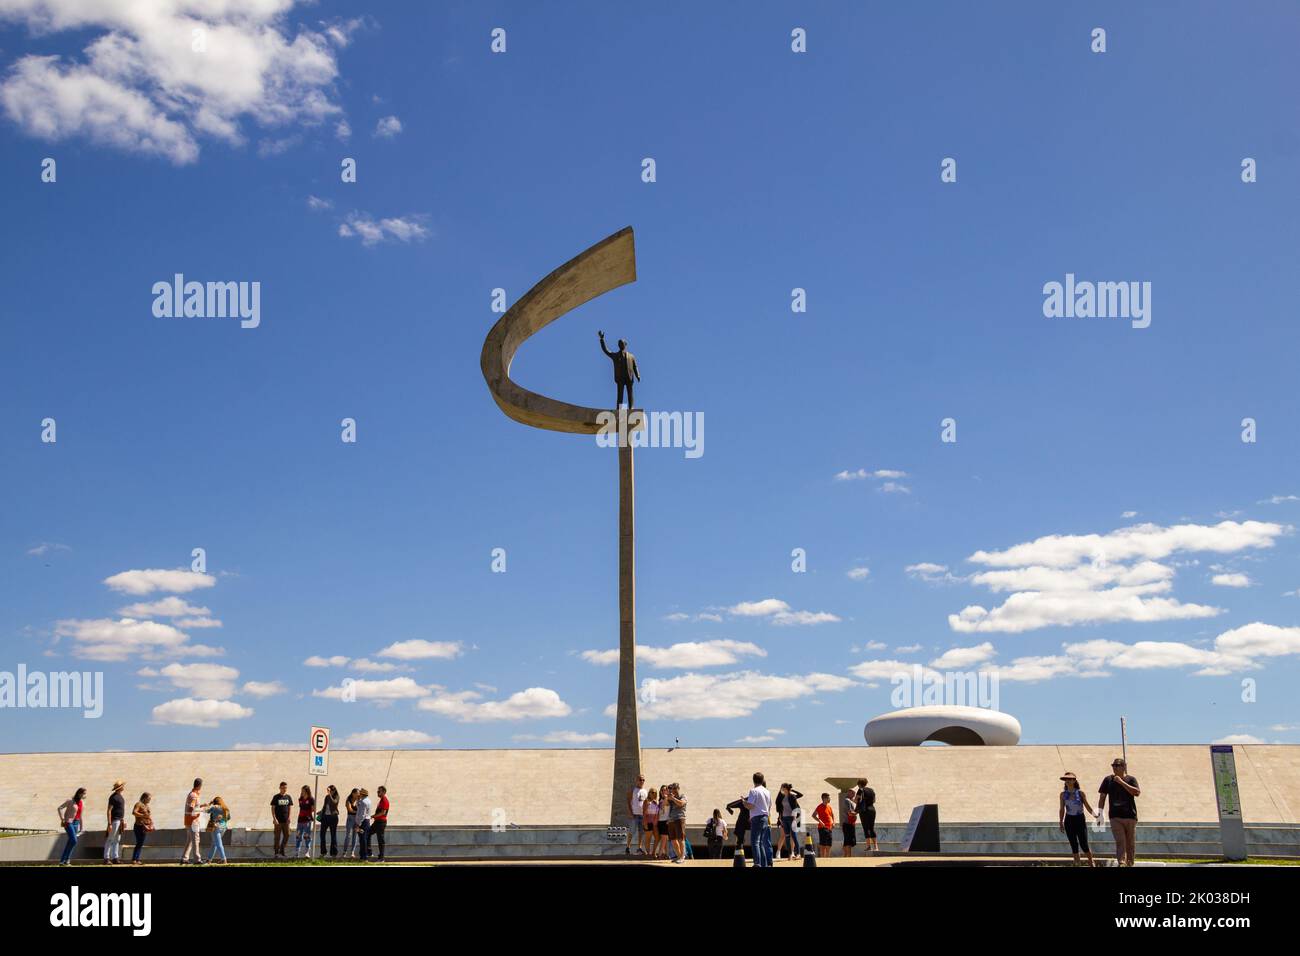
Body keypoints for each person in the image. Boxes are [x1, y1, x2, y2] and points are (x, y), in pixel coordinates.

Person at [1098, 757, 1141, 867]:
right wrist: (1100, 814)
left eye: (1118, 765)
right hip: (1115, 816)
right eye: (1113, 765)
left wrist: (1121, 782)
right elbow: (1102, 797)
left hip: (1130, 816)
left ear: (1124, 767)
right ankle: (1121, 862)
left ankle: (1130, 863)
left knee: (1130, 842)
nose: (1115, 768)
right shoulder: (1108, 780)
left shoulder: (1131, 779)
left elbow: (1137, 793)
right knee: (1120, 840)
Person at [1058, 772, 1096, 867]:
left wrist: (1095, 815)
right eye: (1066, 779)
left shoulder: (1080, 793)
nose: (1068, 781)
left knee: (1083, 843)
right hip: (1069, 820)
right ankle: (1077, 862)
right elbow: (1062, 808)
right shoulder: (1063, 794)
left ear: (1074, 780)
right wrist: (1061, 821)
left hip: (1079, 819)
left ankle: (1091, 862)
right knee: (1073, 843)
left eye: (1070, 779)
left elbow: (1087, 806)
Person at [598, 330, 641, 409]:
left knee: (630, 393)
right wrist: (602, 339)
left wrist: (637, 374)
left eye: (621, 343)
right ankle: (620, 409)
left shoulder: (631, 356)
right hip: (620, 377)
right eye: (619, 344)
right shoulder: (615, 355)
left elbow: (635, 366)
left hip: (629, 377)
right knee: (620, 394)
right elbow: (606, 351)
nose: (620, 345)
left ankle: (631, 407)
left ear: (625, 345)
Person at [744, 772, 773, 868]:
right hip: (765, 817)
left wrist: (744, 803)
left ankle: (757, 863)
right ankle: (764, 864)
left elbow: (751, 805)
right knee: (761, 843)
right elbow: (769, 806)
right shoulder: (767, 791)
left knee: (755, 842)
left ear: (753, 780)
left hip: (757, 817)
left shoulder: (753, 791)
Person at [775, 783, 804, 862]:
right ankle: (790, 854)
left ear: (786, 788)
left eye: (783, 788)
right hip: (784, 818)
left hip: (792, 818)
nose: (781, 789)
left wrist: (794, 820)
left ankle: (798, 854)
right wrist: (780, 817)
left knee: (794, 836)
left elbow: (794, 808)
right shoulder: (782, 797)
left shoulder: (792, 797)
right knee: (787, 836)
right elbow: (781, 808)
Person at [56, 787, 86, 866]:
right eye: (83, 793)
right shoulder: (70, 801)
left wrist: (81, 828)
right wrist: (62, 819)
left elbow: (80, 816)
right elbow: (59, 808)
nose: (84, 795)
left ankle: (64, 861)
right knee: (74, 840)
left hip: (76, 823)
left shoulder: (81, 803)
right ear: (79, 793)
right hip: (68, 822)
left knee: (71, 842)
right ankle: (64, 860)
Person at [182, 778, 207, 865]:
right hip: (193, 821)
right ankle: (197, 859)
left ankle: (184, 858)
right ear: (199, 786)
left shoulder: (192, 794)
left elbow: (192, 806)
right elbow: (191, 808)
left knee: (190, 840)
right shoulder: (194, 795)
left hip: (189, 820)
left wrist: (202, 805)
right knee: (196, 840)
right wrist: (201, 809)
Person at [104, 780, 126, 864]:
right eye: (122, 786)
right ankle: (106, 858)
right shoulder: (113, 797)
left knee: (117, 839)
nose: (123, 787)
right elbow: (109, 810)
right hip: (114, 820)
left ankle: (115, 857)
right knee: (110, 839)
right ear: (120, 788)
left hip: (119, 820)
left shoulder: (119, 796)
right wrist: (109, 823)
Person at [269, 782, 293, 858]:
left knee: (287, 834)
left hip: (286, 821)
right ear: (280, 788)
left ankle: (282, 850)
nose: (284, 789)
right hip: (278, 821)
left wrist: (289, 817)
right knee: (277, 837)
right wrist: (274, 818)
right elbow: (273, 808)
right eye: (283, 788)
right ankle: (276, 852)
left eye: (285, 788)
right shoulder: (276, 797)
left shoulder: (288, 797)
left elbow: (289, 807)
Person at [665, 783, 688, 863]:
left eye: (675, 788)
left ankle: (682, 856)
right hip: (671, 820)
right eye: (672, 788)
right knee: (673, 840)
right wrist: (667, 797)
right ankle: (678, 856)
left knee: (680, 838)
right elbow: (665, 805)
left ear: (678, 788)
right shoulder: (671, 797)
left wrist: (673, 798)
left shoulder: (682, 796)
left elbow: (681, 803)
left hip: (679, 819)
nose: (673, 790)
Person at [626, 774, 648, 855]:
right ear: (636, 780)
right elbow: (628, 802)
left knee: (641, 832)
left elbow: (646, 803)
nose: (641, 781)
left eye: (643, 780)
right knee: (631, 831)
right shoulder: (633, 790)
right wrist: (630, 812)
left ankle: (639, 848)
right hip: (634, 815)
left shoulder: (645, 791)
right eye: (640, 779)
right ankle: (628, 847)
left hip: (642, 815)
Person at [856, 778, 878, 853]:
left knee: (866, 828)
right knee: (871, 827)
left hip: (864, 811)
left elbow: (857, 800)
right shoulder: (871, 790)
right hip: (872, 809)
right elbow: (874, 800)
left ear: (859, 784)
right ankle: (876, 846)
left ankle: (869, 846)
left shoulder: (860, 790)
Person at [725, 793, 751, 858]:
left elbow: (730, 805)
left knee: (739, 840)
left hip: (742, 823)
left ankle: (738, 855)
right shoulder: (756, 801)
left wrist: (729, 808)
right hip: (750, 822)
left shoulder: (745, 801)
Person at [207, 796, 231, 863]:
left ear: (215, 802)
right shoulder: (226, 808)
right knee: (214, 843)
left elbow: (206, 810)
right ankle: (209, 859)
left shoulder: (214, 808)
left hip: (216, 827)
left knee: (218, 844)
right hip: (223, 828)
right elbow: (228, 818)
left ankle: (223, 859)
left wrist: (210, 804)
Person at [131, 792, 153, 864]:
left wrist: (151, 822)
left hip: (145, 826)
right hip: (138, 826)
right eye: (149, 798)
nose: (149, 800)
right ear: (145, 798)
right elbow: (134, 812)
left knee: (141, 843)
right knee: (139, 842)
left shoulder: (147, 806)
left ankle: (137, 859)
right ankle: (134, 859)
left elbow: (148, 816)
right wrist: (143, 815)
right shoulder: (138, 804)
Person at [294, 785, 315, 858]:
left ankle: (307, 852)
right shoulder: (300, 799)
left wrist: (309, 810)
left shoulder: (311, 799)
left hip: (307, 820)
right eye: (301, 791)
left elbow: (313, 809)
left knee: (307, 836)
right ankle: (297, 852)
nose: (302, 792)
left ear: (307, 791)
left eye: (303, 791)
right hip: (300, 820)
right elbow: (301, 807)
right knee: (298, 836)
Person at [812, 793, 834, 858]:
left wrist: (833, 822)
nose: (829, 799)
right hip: (822, 828)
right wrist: (820, 821)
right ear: (824, 798)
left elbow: (832, 815)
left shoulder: (829, 807)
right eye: (828, 798)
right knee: (823, 844)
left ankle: (827, 858)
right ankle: (822, 859)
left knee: (829, 844)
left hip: (829, 827)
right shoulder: (819, 806)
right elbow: (813, 815)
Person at [320, 785, 340, 858]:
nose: (328, 792)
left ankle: (333, 853)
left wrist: (329, 795)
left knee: (333, 835)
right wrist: (321, 811)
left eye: (330, 790)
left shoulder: (336, 796)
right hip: (325, 817)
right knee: (322, 835)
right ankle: (323, 852)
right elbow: (325, 806)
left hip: (333, 817)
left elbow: (334, 803)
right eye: (328, 790)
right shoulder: (327, 797)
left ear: (333, 791)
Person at [838, 788, 858, 858]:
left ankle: (845, 856)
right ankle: (848, 856)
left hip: (848, 823)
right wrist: (857, 812)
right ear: (849, 793)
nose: (854, 795)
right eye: (853, 794)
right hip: (848, 824)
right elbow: (850, 813)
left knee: (847, 841)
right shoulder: (847, 801)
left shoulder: (848, 801)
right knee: (848, 841)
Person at [641, 787, 660, 859]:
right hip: (647, 822)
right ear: (649, 793)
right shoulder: (646, 801)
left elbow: (657, 812)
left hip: (654, 823)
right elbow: (644, 813)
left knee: (657, 838)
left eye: (655, 792)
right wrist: (645, 823)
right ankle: (648, 854)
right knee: (648, 839)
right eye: (652, 792)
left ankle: (653, 852)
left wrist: (656, 821)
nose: (653, 793)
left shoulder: (655, 802)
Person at [372, 786, 390, 862]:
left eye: (379, 791)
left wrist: (373, 816)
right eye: (377, 791)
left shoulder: (385, 800)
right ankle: (369, 851)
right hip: (377, 822)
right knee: (368, 833)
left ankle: (381, 858)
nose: (378, 793)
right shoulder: (381, 800)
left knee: (380, 840)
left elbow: (383, 812)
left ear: (383, 792)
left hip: (381, 822)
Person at [355, 788, 373, 861]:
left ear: (362, 794)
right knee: (364, 839)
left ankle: (364, 857)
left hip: (363, 822)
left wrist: (358, 824)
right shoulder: (367, 801)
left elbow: (362, 814)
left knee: (363, 840)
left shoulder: (363, 802)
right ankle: (363, 856)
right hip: (367, 821)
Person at [341, 788, 360, 859]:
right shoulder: (348, 800)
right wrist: (358, 812)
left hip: (357, 819)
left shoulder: (359, 800)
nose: (358, 794)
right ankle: (344, 852)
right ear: (353, 793)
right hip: (350, 818)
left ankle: (352, 852)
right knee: (348, 835)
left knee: (355, 835)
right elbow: (350, 810)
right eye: (357, 793)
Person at [654, 785, 671, 859]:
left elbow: (663, 805)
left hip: (665, 821)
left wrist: (666, 796)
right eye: (662, 790)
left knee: (664, 839)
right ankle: (666, 854)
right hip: (660, 821)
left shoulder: (667, 799)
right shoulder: (661, 800)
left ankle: (660, 854)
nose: (663, 791)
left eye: (665, 790)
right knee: (665, 839)